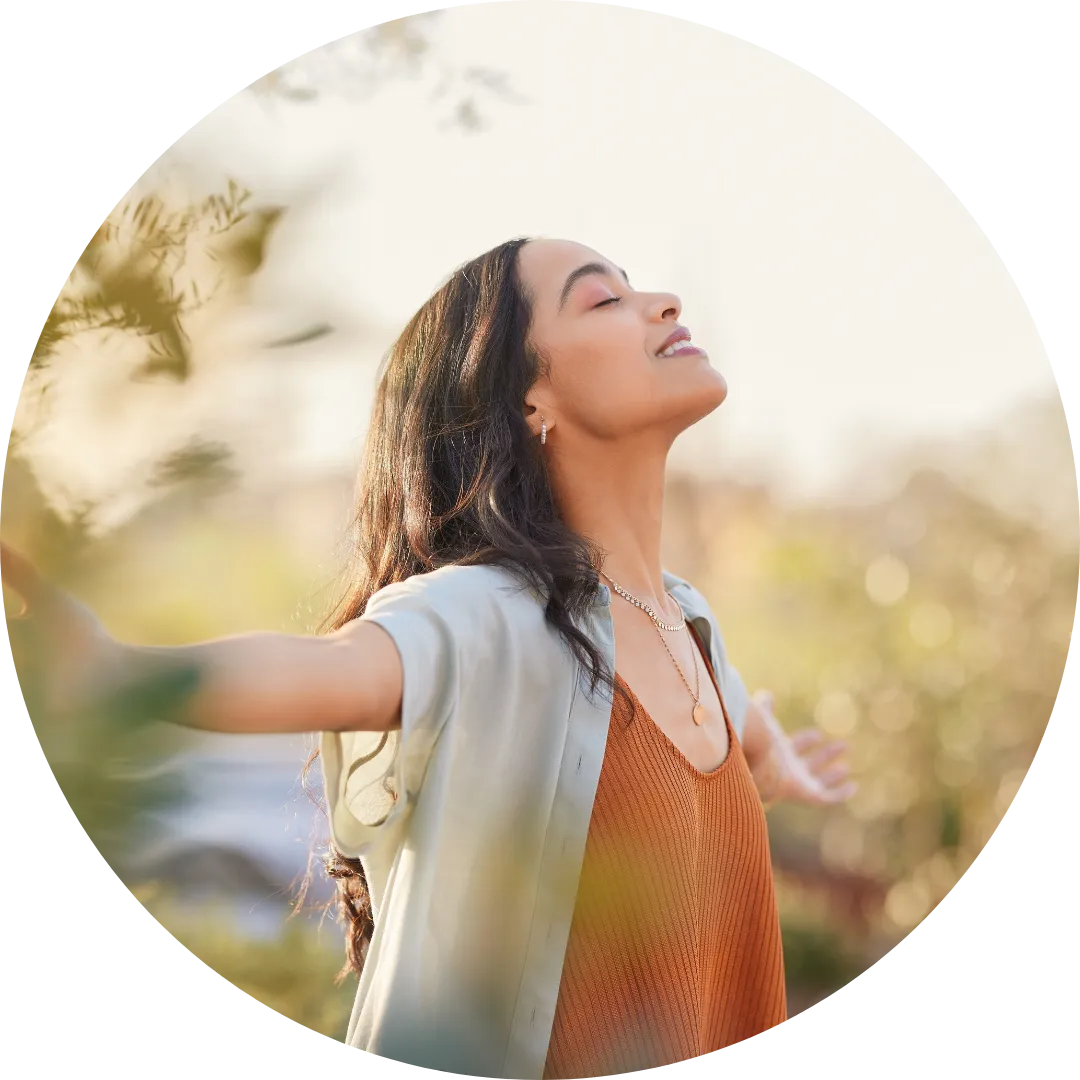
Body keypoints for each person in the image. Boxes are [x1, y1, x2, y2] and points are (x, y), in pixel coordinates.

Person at [2, 237, 856, 1078]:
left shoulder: (691, 626)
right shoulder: (490, 612)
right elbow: (334, 671)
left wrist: (766, 760)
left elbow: (724, 730)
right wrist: (117, 674)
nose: (663, 303)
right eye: (603, 298)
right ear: (530, 402)